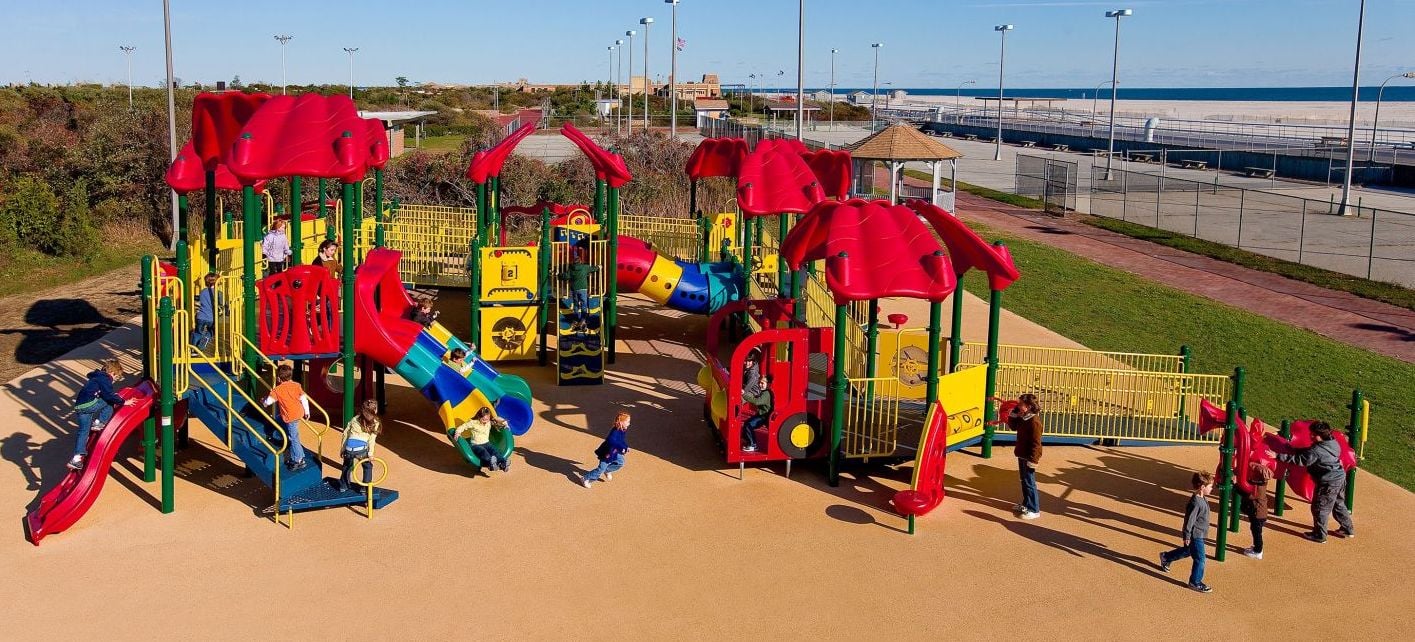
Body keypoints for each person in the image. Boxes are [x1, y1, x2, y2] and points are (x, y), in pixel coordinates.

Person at [1273, 421, 1354, 543]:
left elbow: (1301, 460)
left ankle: (1320, 535)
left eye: (1313, 434)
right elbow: (1311, 451)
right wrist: (1296, 449)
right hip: (1340, 478)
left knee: (1320, 508)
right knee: (1338, 504)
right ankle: (1347, 529)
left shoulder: (1316, 451)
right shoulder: (1332, 442)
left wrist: (1277, 456)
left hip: (1328, 483)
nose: (1310, 436)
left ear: (1319, 435)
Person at [67, 359, 134, 471]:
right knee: (110, 401)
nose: (114, 381)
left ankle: (76, 459)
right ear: (112, 373)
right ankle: (100, 422)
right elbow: (108, 395)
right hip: (88, 405)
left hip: (79, 407)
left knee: (83, 432)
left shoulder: (96, 377)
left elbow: (105, 393)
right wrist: (123, 402)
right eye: (116, 378)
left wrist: (113, 395)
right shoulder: (105, 379)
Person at [1158, 471, 1215, 593]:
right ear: (1202, 487)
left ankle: (1166, 557)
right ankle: (1195, 582)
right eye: (1210, 486)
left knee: (1188, 551)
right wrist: (1187, 535)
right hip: (1195, 535)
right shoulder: (1196, 503)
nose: (1212, 489)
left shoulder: (1202, 498)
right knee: (1200, 558)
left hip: (1199, 533)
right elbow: (1189, 520)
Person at [261, 363, 310, 470]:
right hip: (297, 413)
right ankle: (276, 434)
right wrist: (307, 412)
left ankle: (299, 460)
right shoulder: (296, 385)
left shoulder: (277, 390)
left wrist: (263, 401)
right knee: (277, 420)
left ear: (278, 378)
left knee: (294, 438)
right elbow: (304, 399)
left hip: (290, 417)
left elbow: (268, 402)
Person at [1009, 393, 1043, 520]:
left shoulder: (1034, 422)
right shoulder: (1024, 418)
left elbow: (1036, 444)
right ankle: (1026, 504)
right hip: (1022, 454)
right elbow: (1013, 426)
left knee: (1030, 482)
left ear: (1028, 406)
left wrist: (1034, 460)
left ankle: (1034, 509)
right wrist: (1014, 413)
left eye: (1020, 404)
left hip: (1029, 457)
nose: (1018, 406)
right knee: (1024, 481)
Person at [338, 399, 381, 492]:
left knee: (347, 464)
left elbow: (345, 434)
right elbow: (371, 440)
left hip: (349, 448)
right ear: (375, 410)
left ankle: (343, 486)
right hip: (361, 449)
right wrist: (370, 453)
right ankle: (364, 488)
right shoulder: (375, 422)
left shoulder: (355, 419)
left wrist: (343, 449)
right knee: (367, 466)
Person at [453, 406, 510, 473]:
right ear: (479, 417)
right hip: (476, 445)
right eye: (483, 419)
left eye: (487, 419)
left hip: (487, 443)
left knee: (494, 451)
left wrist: (504, 423)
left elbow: (497, 419)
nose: (485, 421)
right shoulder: (473, 422)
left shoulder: (489, 421)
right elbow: (463, 426)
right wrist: (457, 432)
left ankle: (503, 463)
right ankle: (491, 463)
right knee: (483, 452)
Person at [582, 412, 630, 488]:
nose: (629, 423)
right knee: (600, 469)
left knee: (621, 462)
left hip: (615, 452)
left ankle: (607, 470)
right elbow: (611, 441)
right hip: (607, 453)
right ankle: (585, 478)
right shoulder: (615, 431)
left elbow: (621, 440)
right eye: (627, 421)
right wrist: (621, 448)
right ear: (621, 422)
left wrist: (626, 447)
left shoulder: (622, 430)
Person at [1240, 459, 1274, 559]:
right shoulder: (1262, 483)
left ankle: (1258, 551)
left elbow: (1248, 495)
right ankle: (1256, 547)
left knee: (1257, 532)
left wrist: (1236, 486)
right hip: (1259, 513)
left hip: (1258, 514)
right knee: (1255, 530)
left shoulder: (1257, 488)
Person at [558, 252, 599, 321]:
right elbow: (593, 269)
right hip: (583, 288)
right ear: (580, 261)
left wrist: (559, 274)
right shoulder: (585, 267)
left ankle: (576, 319)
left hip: (574, 289)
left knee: (576, 304)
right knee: (584, 304)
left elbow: (565, 276)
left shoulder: (571, 269)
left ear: (573, 262)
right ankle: (583, 320)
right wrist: (598, 267)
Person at [740, 374, 772, 453]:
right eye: (760, 383)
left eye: (762, 383)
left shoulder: (766, 393)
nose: (760, 385)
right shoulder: (764, 392)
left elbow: (757, 402)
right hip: (761, 414)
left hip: (764, 416)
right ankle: (747, 439)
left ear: (768, 384)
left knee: (749, 425)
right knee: (747, 423)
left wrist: (744, 395)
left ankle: (753, 445)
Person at [191, 272, 223, 351]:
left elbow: (200, 300)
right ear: (217, 282)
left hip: (200, 316)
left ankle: (193, 349)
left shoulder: (203, 291)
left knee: (198, 332)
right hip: (211, 318)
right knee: (211, 331)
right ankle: (203, 342)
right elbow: (221, 303)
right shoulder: (218, 293)